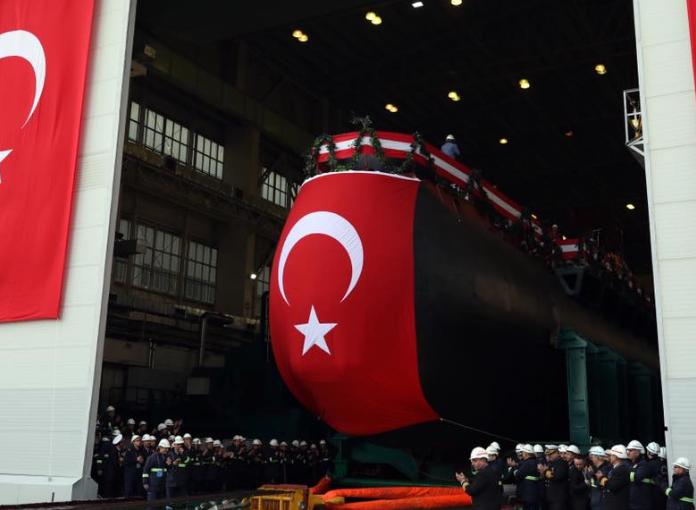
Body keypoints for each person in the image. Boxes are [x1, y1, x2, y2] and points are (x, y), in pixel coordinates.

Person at [597, 445, 631, 510]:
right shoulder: (616, 469)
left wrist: (601, 478)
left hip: (617, 505)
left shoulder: (621, 470)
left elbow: (612, 486)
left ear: (615, 457)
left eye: (611, 455)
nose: (610, 457)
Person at [538, 444, 568, 510]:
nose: (548, 456)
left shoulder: (561, 463)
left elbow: (557, 477)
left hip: (558, 498)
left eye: (550, 454)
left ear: (557, 453)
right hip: (551, 497)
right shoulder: (552, 463)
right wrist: (542, 473)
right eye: (547, 454)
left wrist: (545, 471)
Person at [510, 444, 540, 510]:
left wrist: (514, 469)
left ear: (526, 453)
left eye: (523, 452)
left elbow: (518, 474)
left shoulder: (527, 463)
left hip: (528, 495)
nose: (522, 454)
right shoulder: (535, 461)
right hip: (534, 494)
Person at [627, 440, 653, 510]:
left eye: (630, 450)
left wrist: (627, 471)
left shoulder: (643, 464)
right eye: (627, 450)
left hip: (641, 503)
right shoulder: (631, 464)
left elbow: (636, 477)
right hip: (633, 501)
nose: (628, 452)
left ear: (638, 452)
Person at [586, 445, 610, 510]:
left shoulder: (606, 469)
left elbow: (601, 485)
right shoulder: (595, 468)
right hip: (594, 501)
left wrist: (591, 474)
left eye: (592, 457)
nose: (591, 459)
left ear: (597, 457)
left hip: (602, 503)